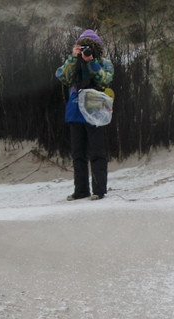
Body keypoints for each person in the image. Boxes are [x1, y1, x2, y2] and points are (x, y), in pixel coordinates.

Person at [55, 29, 114, 201]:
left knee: (97, 152)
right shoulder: (73, 61)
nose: (86, 50)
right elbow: (62, 76)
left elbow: (105, 80)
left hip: (96, 110)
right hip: (76, 109)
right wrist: (74, 58)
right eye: (83, 47)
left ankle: (99, 190)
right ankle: (81, 190)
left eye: (90, 47)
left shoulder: (104, 62)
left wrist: (91, 62)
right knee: (78, 154)